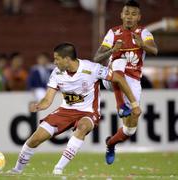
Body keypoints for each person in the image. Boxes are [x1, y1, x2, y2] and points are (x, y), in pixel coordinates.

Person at [10, 42, 141, 175]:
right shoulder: (57, 73)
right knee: (36, 138)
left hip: (88, 112)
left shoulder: (92, 68)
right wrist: (38, 105)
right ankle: (17, 170)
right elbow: (47, 99)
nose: (54, 62)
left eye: (57, 59)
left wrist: (134, 103)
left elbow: (119, 79)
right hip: (65, 111)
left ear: (67, 59)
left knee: (83, 127)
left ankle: (58, 169)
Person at [93, 0, 158, 165]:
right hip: (112, 77)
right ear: (121, 15)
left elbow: (155, 50)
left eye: (133, 14)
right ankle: (121, 105)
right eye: (127, 13)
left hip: (133, 81)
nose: (129, 17)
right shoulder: (113, 32)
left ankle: (111, 143)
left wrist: (141, 44)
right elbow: (97, 58)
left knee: (130, 129)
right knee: (118, 62)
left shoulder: (144, 32)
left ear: (139, 17)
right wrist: (112, 51)